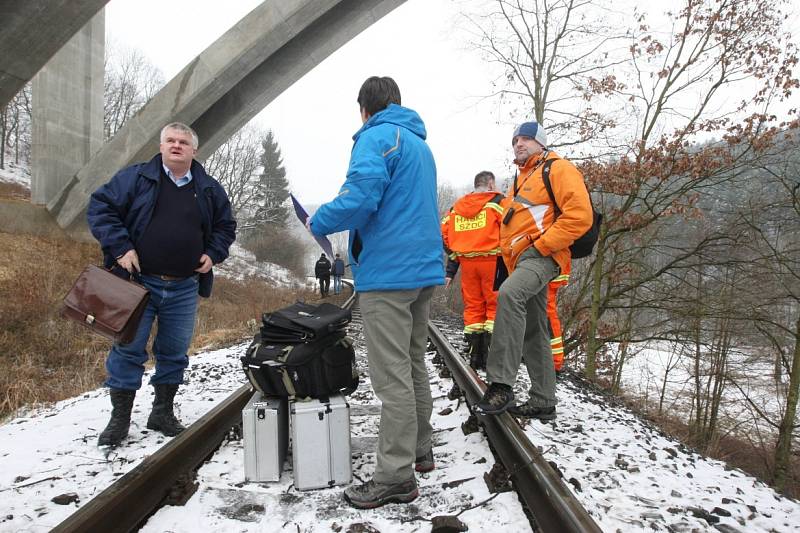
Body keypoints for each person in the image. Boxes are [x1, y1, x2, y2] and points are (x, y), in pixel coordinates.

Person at [307, 76, 443, 509]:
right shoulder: (419, 144)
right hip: (422, 270)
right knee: (413, 362)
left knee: (391, 378)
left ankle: (394, 477)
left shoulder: (376, 137)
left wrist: (318, 220)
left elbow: (360, 198)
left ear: (364, 109)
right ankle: (419, 449)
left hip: (389, 274)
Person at [87, 122, 236, 448]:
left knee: (174, 352)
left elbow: (226, 227)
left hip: (183, 287)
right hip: (138, 285)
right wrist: (121, 247)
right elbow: (100, 207)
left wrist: (213, 254)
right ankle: (119, 420)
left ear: (194, 150)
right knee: (128, 350)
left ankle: (162, 412)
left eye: (183, 142)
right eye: (170, 140)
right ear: (161, 145)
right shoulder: (136, 178)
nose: (176, 146)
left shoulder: (209, 189)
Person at [475, 121, 592, 420]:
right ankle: (543, 400)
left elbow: (580, 216)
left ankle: (500, 383)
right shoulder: (520, 179)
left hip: (542, 254)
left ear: (541, 143)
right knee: (535, 327)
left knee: (509, 296)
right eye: (516, 140)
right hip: (522, 259)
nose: (519, 144)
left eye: (526, 139)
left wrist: (541, 246)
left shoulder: (558, 169)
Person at [441, 171, 503, 370]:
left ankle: (475, 355)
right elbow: (514, 227)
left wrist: (453, 263)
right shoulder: (498, 203)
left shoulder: (456, 208)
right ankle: (493, 354)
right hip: (494, 261)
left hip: (467, 263)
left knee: (474, 306)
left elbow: (444, 234)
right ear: (491, 184)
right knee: (495, 305)